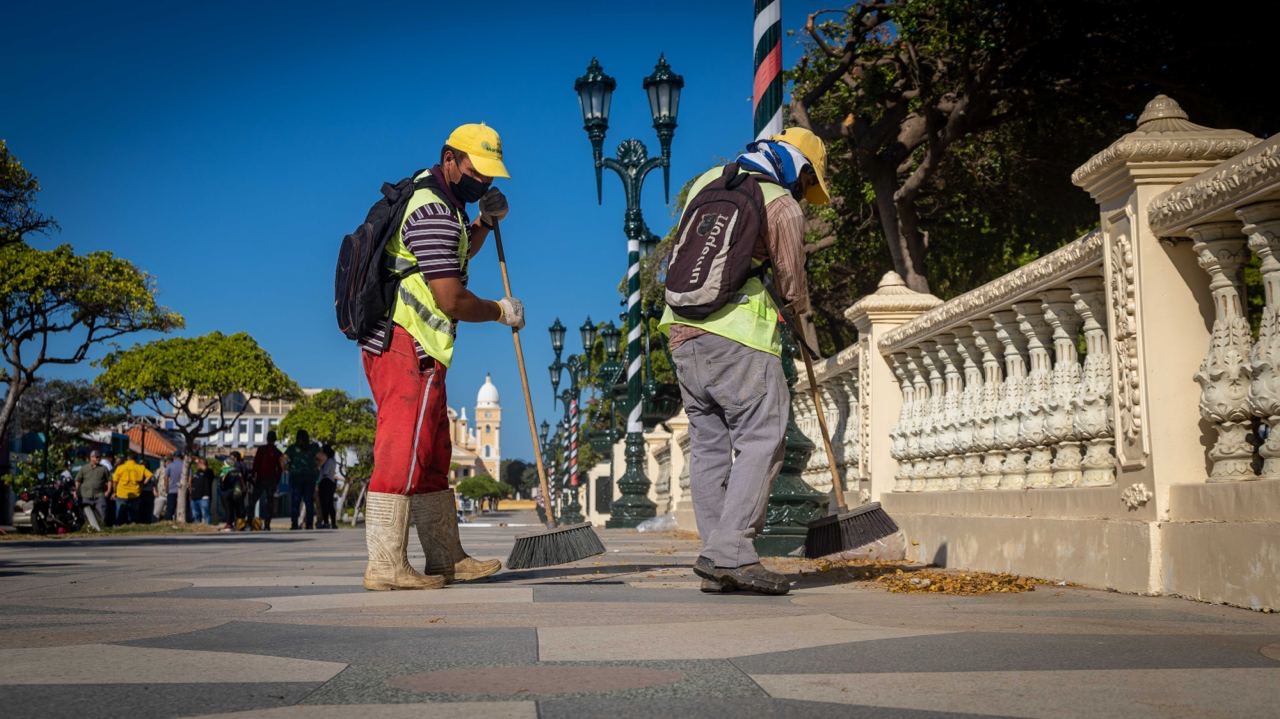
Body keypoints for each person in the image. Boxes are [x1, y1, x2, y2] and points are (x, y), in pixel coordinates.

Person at [659, 127, 829, 596]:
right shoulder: (781, 203)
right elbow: (792, 282)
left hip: (679, 330)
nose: (802, 193)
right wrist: (799, 316)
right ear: (801, 170)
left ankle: (717, 554)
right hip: (738, 336)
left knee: (709, 444)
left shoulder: (707, 181)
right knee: (761, 436)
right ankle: (732, 551)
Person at [355, 124, 515, 591]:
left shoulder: (442, 205)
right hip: (405, 341)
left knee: (431, 453)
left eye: (490, 175)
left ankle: (445, 558)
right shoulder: (432, 211)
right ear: (451, 158)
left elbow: (453, 252)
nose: (483, 181)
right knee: (401, 450)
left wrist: (483, 223)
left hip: (422, 344)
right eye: (476, 170)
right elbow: (450, 297)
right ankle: (385, 564)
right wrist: (499, 312)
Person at [251, 430, 285, 530]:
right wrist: (277, 480)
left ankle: (249, 520)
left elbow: (256, 464)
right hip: (271, 479)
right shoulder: (277, 452)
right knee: (269, 502)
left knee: (254, 500)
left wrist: (253, 475)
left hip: (261, 478)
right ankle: (267, 524)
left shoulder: (261, 449)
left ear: (267, 438)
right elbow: (280, 469)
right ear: (275, 439)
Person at [286, 431, 319, 530]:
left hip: (296, 477)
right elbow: (323, 457)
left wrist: (287, 468)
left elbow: (283, 459)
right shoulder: (313, 448)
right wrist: (316, 467)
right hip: (309, 477)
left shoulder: (292, 448)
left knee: (295, 501)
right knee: (309, 501)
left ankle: (294, 523)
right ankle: (309, 524)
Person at [111, 452, 152, 525]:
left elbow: (114, 481)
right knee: (133, 514)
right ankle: (132, 526)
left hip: (121, 493)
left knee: (119, 513)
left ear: (127, 458)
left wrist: (114, 492)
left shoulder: (120, 467)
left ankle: (118, 526)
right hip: (135, 493)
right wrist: (143, 484)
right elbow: (149, 475)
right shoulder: (140, 467)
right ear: (136, 459)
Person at [73, 450, 110, 525]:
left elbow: (109, 480)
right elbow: (78, 480)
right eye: (95, 457)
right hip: (86, 495)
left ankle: (102, 527)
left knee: (102, 513)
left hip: (99, 495)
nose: (97, 459)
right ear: (91, 458)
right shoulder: (84, 468)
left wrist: (108, 491)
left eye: (98, 457)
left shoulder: (103, 468)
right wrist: (76, 491)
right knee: (86, 515)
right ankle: (88, 528)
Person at [218, 452, 247, 531]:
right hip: (237, 492)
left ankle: (229, 524)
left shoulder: (225, 470)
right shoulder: (237, 471)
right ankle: (240, 524)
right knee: (238, 508)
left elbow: (222, 483)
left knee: (228, 509)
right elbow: (242, 481)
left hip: (226, 493)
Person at [316, 444, 339, 529]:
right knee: (330, 504)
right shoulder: (333, 460)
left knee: (325, 504)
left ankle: (326, 522)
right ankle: (333, 522)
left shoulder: (328, 461)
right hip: (331, 482)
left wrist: (320, 467)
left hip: (325, 482)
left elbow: (325, 472)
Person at [190, 457, 213, 524]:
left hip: (204, 498)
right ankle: (197, 528)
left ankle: (207, 528)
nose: (197, 465)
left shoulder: (209, 472)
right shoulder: (196, 472)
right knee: (195, 515)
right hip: (194, 498)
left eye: (200, 463)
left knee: (205, 514)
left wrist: (199, 462)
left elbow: (206, 469)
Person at [165, 452, 185, 521]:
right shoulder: (185, 466)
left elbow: (166, 478)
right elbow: (189, 479)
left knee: (170, 509)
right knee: (181, 509)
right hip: (183, 491)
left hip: (171, 491)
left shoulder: (170, 466)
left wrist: (166, 488)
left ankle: (169, 522)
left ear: (174, 457)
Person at [153, 456, 170, 522]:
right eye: (166, 461)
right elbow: (154, 481)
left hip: (170, 495)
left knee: (167, 514)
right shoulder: (160, 470)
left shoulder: (172, 469)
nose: (167, 463)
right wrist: (154, 490)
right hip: (160, 494)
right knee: (156, 513)